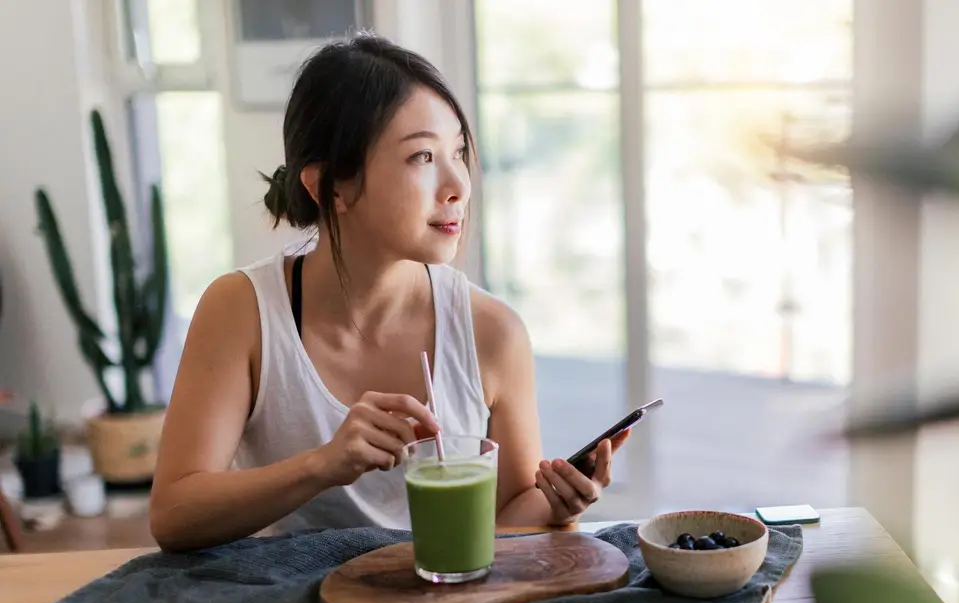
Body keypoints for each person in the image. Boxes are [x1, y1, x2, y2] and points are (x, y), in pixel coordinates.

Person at [148, 33, 628, 552]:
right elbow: (175, 514)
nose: (458, 186)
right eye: (422, 156)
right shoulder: (243, 311)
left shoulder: (494, 332)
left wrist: (556, 506)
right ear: (331, 186)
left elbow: (506, 519)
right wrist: (322, 465)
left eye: (458, 152)